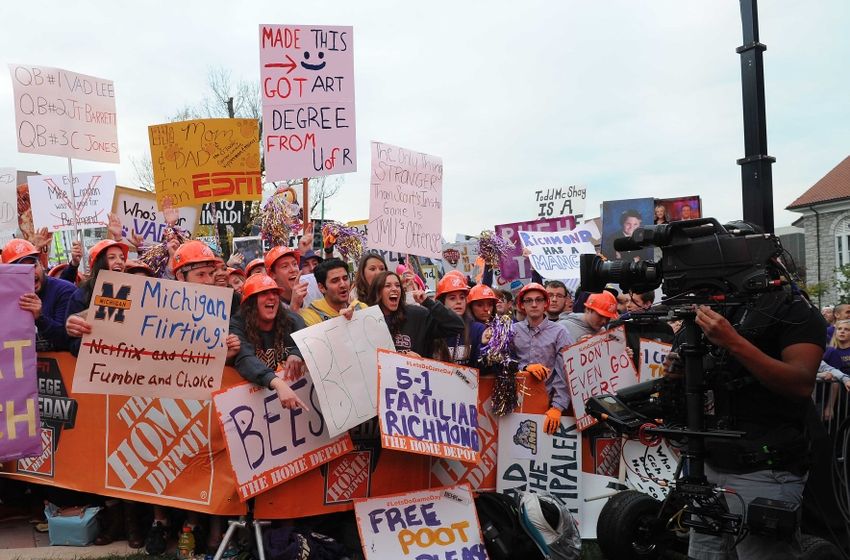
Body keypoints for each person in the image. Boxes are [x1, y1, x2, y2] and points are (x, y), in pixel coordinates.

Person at [662, 230, 827, 559]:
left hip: (765, 471)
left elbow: (800, 383)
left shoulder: (793, 309)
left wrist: (732, 341)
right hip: (707, 469)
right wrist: (676, 373)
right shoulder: (708, 311)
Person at [511, 283, 573, 435]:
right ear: (522, 305)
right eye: (528, 300)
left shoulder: (560, 332)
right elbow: (504, 363)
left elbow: (565, 371)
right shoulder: (513, 330)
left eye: (538, 300)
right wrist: (523, 368)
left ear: (545, 303)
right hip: (517, 403)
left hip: (548, 404)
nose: (534, 304)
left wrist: (557, 407)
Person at [2, 239, 77, 352]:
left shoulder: (65, 291)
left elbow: (66, 340)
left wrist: (40, 318)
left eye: (33, 266)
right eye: (22, 270)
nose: (30, 273)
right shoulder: (5, 298)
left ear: (41, 265)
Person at [367, 271, 464, 357]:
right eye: (387, 286)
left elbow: (457, 326)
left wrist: (429, 303)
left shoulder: (417, 315)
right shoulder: (368, 320)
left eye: (397, 285)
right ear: (377, 292)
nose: (394, 289)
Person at [433, 274, 488, 368]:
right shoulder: (432, 329)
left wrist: (484, 346)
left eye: (462, 297)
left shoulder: (478, 329)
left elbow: (483, 369)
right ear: (442, 302)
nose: (459, 302)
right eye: (452, 298)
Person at [300, 258, 366, 326]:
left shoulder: (361, 307)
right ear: (321, 287)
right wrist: (340, 321)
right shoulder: (310, 317)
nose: (343, 284)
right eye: (335, 281)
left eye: (345, 278)